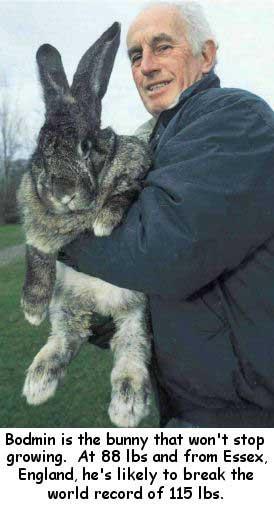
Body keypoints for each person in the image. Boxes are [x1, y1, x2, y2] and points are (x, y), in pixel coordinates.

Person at [59, 1, 274, 427]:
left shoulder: (236, 119)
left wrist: (57, 229)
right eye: (136, 56)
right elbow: (138, 283)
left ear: (206, 55)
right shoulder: (154, 147)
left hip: (246, 418)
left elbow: (164, 252)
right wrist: (98, 312)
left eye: (162, 47)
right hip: (183, 410)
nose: (147, 66)